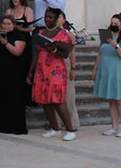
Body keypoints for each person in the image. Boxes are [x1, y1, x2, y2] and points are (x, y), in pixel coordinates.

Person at [27, 7, 76, 141]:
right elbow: (36, 54)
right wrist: (30, 72)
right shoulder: (41, 32)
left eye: (50, 17)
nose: (48, 19)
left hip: (56, 70)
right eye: (46, 17)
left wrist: (54, 49)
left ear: (56, 19)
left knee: (58, 99)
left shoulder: (63, 34)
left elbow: (66, 53)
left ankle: (70, 130)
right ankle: (55, 128)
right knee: (45, 100)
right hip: (42, 70)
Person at [0, 15, 30, 135]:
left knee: (15, 100)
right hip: (1, 72)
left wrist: (6, 43)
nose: (5, 26)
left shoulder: (19, 36)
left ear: (13, 24)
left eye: (8, 23)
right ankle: (1, 125)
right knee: (1, 99)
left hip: (15, 73)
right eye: (4, 23)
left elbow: (17, 52)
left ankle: (16, 127)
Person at [93, 13, 121, 138]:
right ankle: (114, 126)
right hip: (107, 71)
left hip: (120, 71)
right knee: (111, 100)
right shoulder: (106, 37)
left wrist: (116, 46)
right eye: (112, 23)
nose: (113, 25)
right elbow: (100, 53)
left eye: (116, 24)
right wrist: (95, 69)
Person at [55, 11, 80, 131]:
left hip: (65, 65)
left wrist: (73, 68)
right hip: (53, 66)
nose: (57, 19)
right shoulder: (49, 32)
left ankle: (72, 122)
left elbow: (72, 53)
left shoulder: (69, 35)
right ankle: (56, 123)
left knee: (69, 94)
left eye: (59, 17)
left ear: (64, 19)